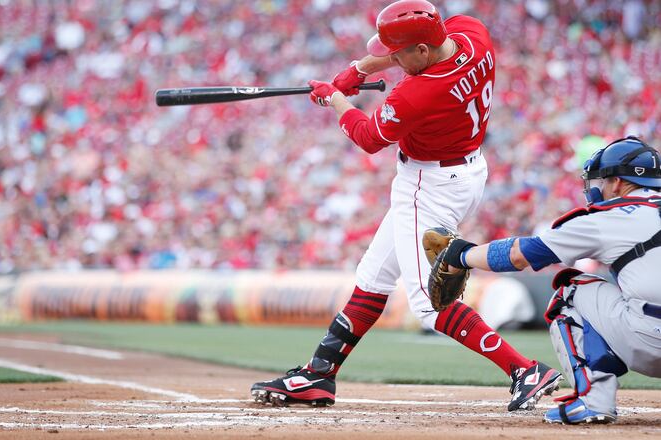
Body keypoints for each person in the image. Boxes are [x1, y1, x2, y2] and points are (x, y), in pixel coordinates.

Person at [251, 0, 561, 411]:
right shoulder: (471, 34)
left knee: (429, 304)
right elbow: (411, 50)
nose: (392, 59)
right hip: (464, 171)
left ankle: (525, 369)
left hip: (428, 185)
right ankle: (319, 373)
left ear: (422, 52)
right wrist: (361, 70)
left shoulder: (419, 91)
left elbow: (368, 137)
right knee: (374, 275)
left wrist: (334, 99)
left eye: (398, 54)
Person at [432, 136, 661, 424]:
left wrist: (462, 255)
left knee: (571, 290)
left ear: (616, 182)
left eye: (603, 180)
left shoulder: (612, 217)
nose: (599, 187)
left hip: (652, 341)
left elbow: (521, 255)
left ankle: (594, 401)